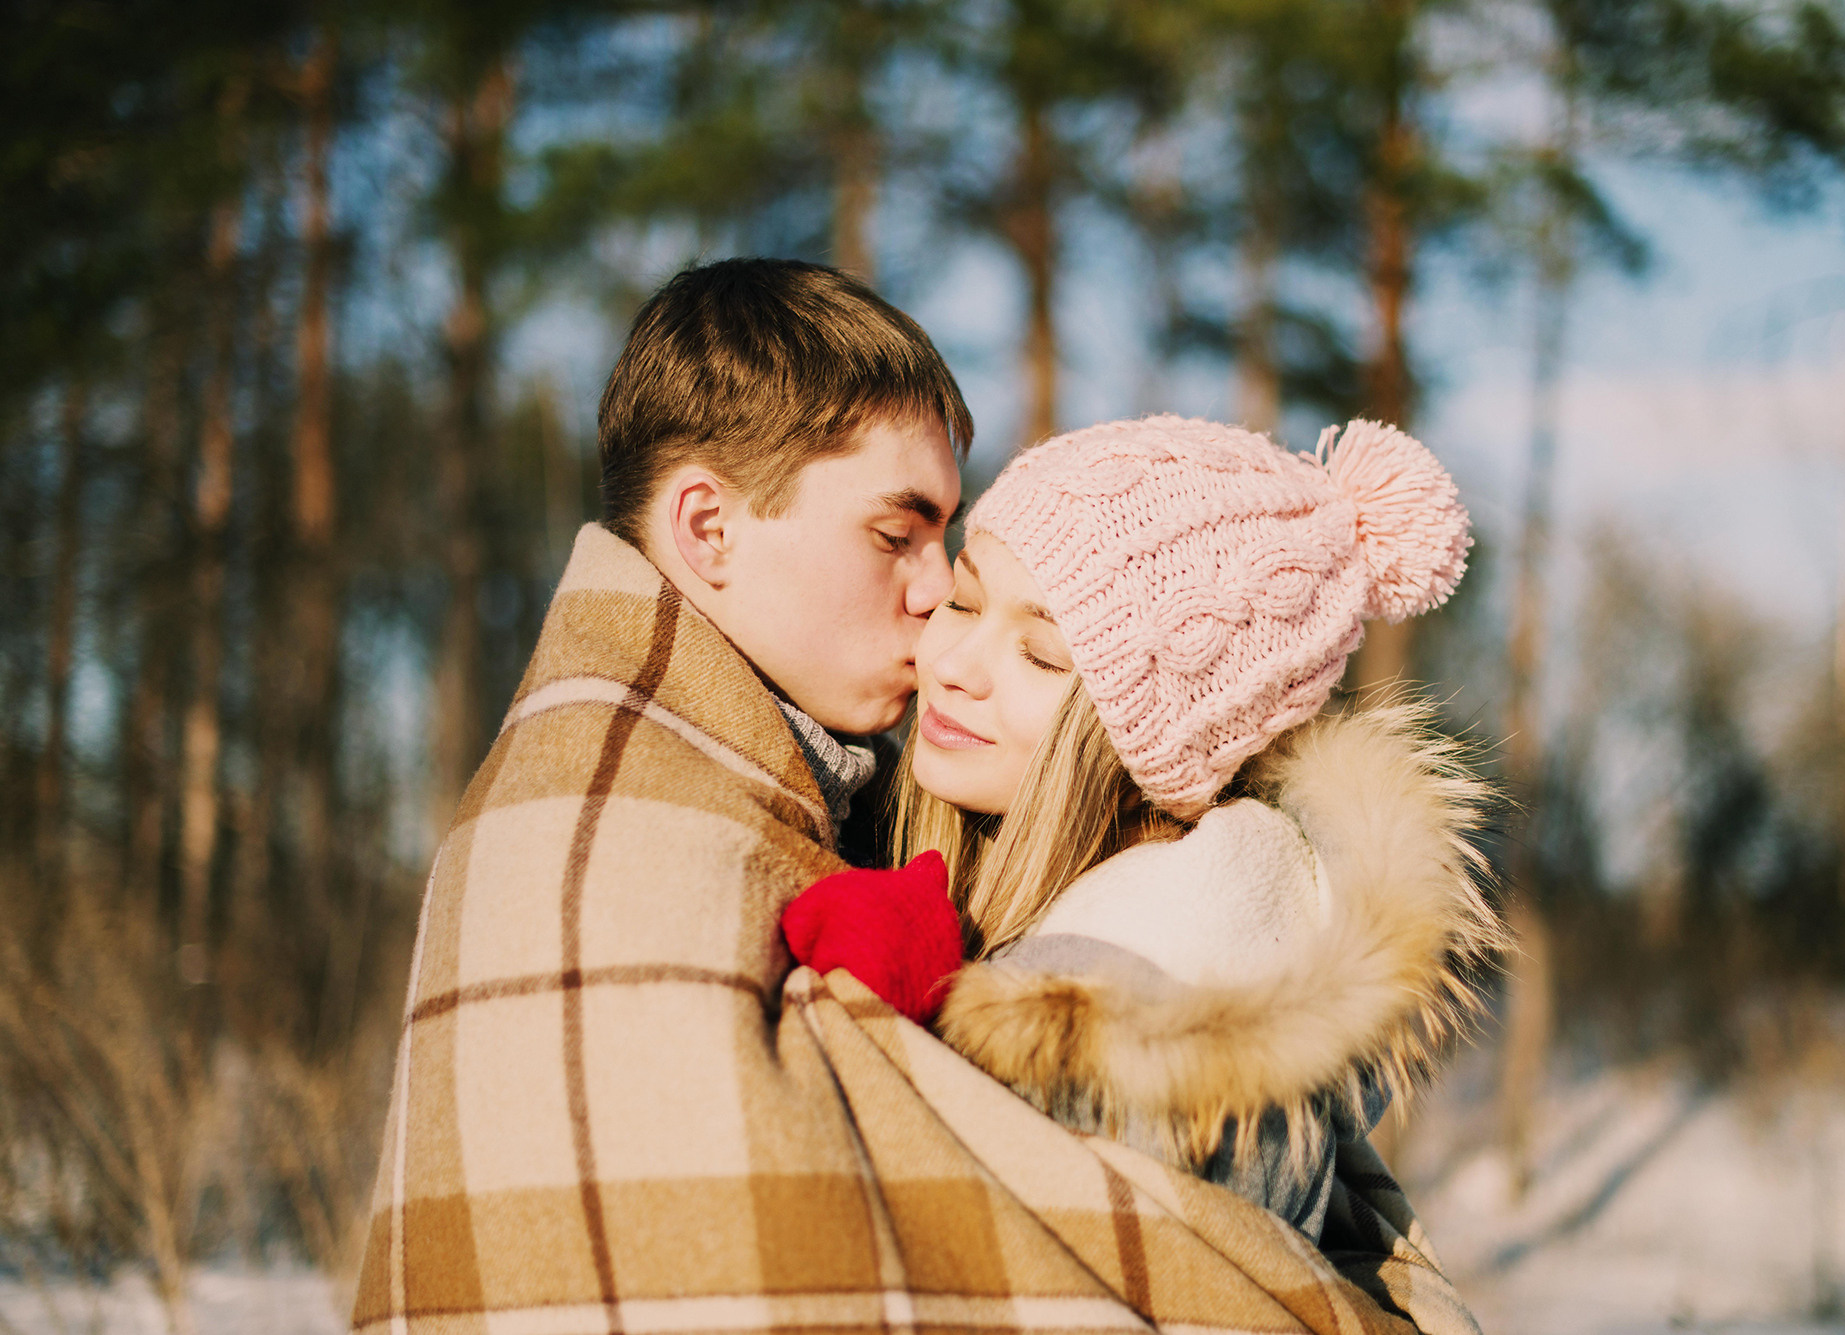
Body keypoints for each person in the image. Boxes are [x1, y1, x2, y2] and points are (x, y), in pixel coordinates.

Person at [353, 262, 1461, 1335]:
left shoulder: (1152, 934)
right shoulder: (598, 831)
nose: (934, 606)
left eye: (1029, 644)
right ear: (706, 528)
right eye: (899, 536)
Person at [785, 413, 1507, 1282]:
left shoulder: (1126, 1028)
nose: (953, 662)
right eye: (967, 600)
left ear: (1152, 750)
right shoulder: (1075, 882)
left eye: (1043, 655)